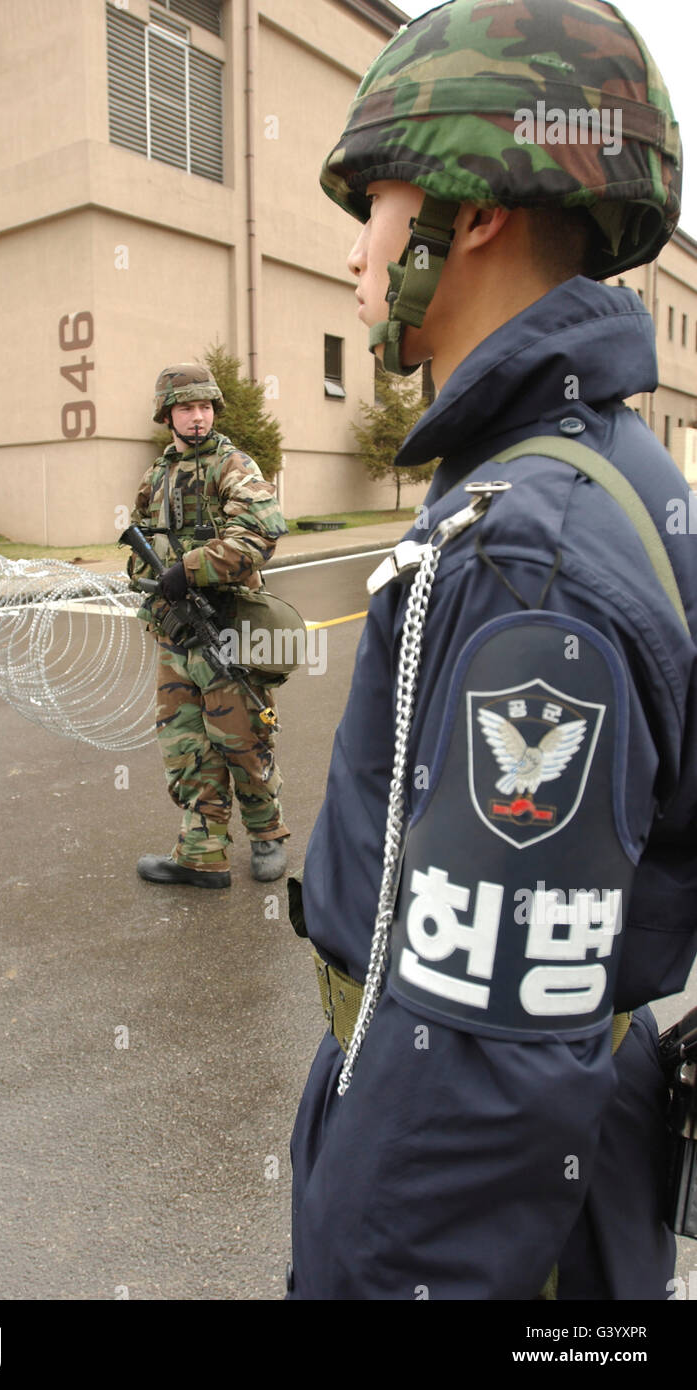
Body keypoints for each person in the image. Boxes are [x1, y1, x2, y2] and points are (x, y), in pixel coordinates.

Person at [288, 0, 697, 1299]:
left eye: (377, 207)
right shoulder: (595, 468)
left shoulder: (532, 547)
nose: (356, 255)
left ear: (469, 212)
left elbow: (478, 1071)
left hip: (503, 1218)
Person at [130, 363, 290, 889]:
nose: (196, 417)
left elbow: (260, 533)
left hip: (228, 627)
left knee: (243, 740)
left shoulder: (234, 466)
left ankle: (267, 834)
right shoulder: (156, 476)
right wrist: (154, 589)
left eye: (203, 407)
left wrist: (190, 569)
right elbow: (139, 550)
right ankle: (202, 854)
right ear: (167, 415)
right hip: (176, 636)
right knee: (184, 746)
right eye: (184, 408)